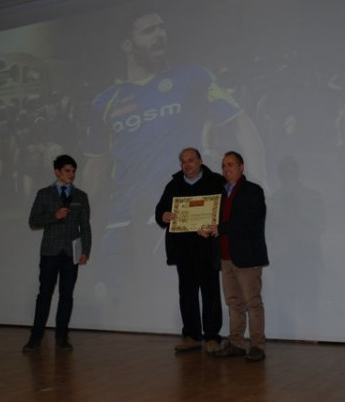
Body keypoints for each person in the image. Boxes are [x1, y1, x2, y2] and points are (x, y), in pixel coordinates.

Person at [81, 4, 267, 275]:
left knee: (188, 287)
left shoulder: (191, 77)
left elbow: (242, 124)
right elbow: (95, 168)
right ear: (127, 44)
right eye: (148, 31)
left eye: (161, 28)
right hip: (125, 216)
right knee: (114, 291)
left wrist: (260, 183)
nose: (159, 35)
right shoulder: (105, 102)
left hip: (188, 209)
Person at [155, 147, 224, 354]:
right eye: (183, 161)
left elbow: (225, 210)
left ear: (200, 161)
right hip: (182, 249)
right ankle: (192, 336)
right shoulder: (173, 185)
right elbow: (160, 211)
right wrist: (163, 215)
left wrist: (216, 224)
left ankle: (212, 337)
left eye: (191, 160)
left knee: (210, 293)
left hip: (207, 247)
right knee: (187, 294)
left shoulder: (215, 181)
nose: (187, 165)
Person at [201, 151, 269, 362]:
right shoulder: (220, 194)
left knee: (252, 303)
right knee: (233, 303)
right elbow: (214, 221)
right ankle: (236, 343)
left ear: (241, 167)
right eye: (223, 165)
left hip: (247, 257)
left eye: (230, 164)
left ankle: (257, 346)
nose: (226, 169)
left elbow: (250, 221)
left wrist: (220, 228)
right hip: (225, 257)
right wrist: (205, 228)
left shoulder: (253, 191)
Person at [23, 154, 91, 352]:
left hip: (71, 253)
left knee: (66, 295)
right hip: (50, 252)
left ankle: (62, 337)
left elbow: (85, 227)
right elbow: (33, 221)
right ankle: (35, 338)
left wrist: (85, 250)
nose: (71, 174)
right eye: (67, 171)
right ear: (57, 172)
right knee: (44, 294)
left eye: (73, 171)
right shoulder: (44, 194)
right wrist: (54, 216)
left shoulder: (81, 196)